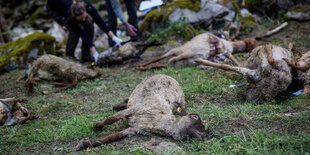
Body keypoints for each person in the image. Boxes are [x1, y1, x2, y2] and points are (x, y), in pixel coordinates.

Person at [46, 0, 123, 63]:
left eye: (84, 16)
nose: (83, 20)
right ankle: (69, 56)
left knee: (89, 25)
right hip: (55, 9)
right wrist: (95, 52)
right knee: (74, 33)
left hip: (68, 7)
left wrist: (114, 38)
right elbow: (83, 35)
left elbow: (100, 22)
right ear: (75, 16)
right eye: (80, 19)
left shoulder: (87, 6)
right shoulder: (70, 18)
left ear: (85, 10)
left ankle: (86, 56)